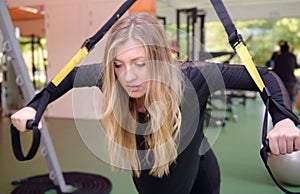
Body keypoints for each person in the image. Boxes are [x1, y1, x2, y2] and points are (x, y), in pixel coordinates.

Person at [11, 13, 300, 194]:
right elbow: (68, 77)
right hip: (156, 179)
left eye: (140, 63)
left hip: (201, 169)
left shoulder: (194, 77)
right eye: (119, 64)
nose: (129, 76)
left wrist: (283, 118)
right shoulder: (111, 78)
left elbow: (263, 76)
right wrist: (35, 106)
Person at [272, 41, 299, 108]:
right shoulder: (292, 56)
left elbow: (274, 68)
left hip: (280, 81)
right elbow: (296, 66)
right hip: (291, 81)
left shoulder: (277, 57)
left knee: (281, 100)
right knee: (292, 100)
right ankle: (289, 114)